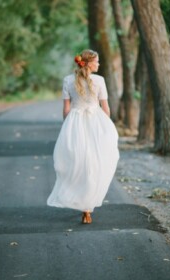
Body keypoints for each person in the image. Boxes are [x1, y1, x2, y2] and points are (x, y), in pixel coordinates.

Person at [47, 49, 119, 224]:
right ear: (88, 63)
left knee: (78, 162)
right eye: (97, 61)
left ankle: (81, 201)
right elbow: (105, 108)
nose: (99, 64)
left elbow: (66, 109)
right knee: (94, 163)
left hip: (75, 123)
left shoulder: (68, 80)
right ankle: (87, 207)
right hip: (95, 122)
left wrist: (67, 126)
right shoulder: (100, 81)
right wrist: (106, 127)